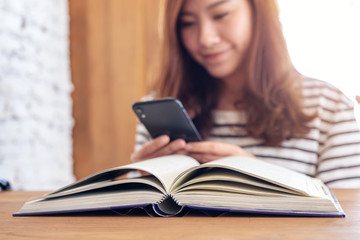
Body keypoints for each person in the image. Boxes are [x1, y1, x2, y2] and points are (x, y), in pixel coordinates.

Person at [131, 0, 360, 188]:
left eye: (221, 15)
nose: (205, 39)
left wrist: (259, 177)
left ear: (257, 12)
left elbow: (346, 220)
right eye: (188, 23)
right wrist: (142, 183)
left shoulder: (329, 106)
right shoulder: (158, 108)